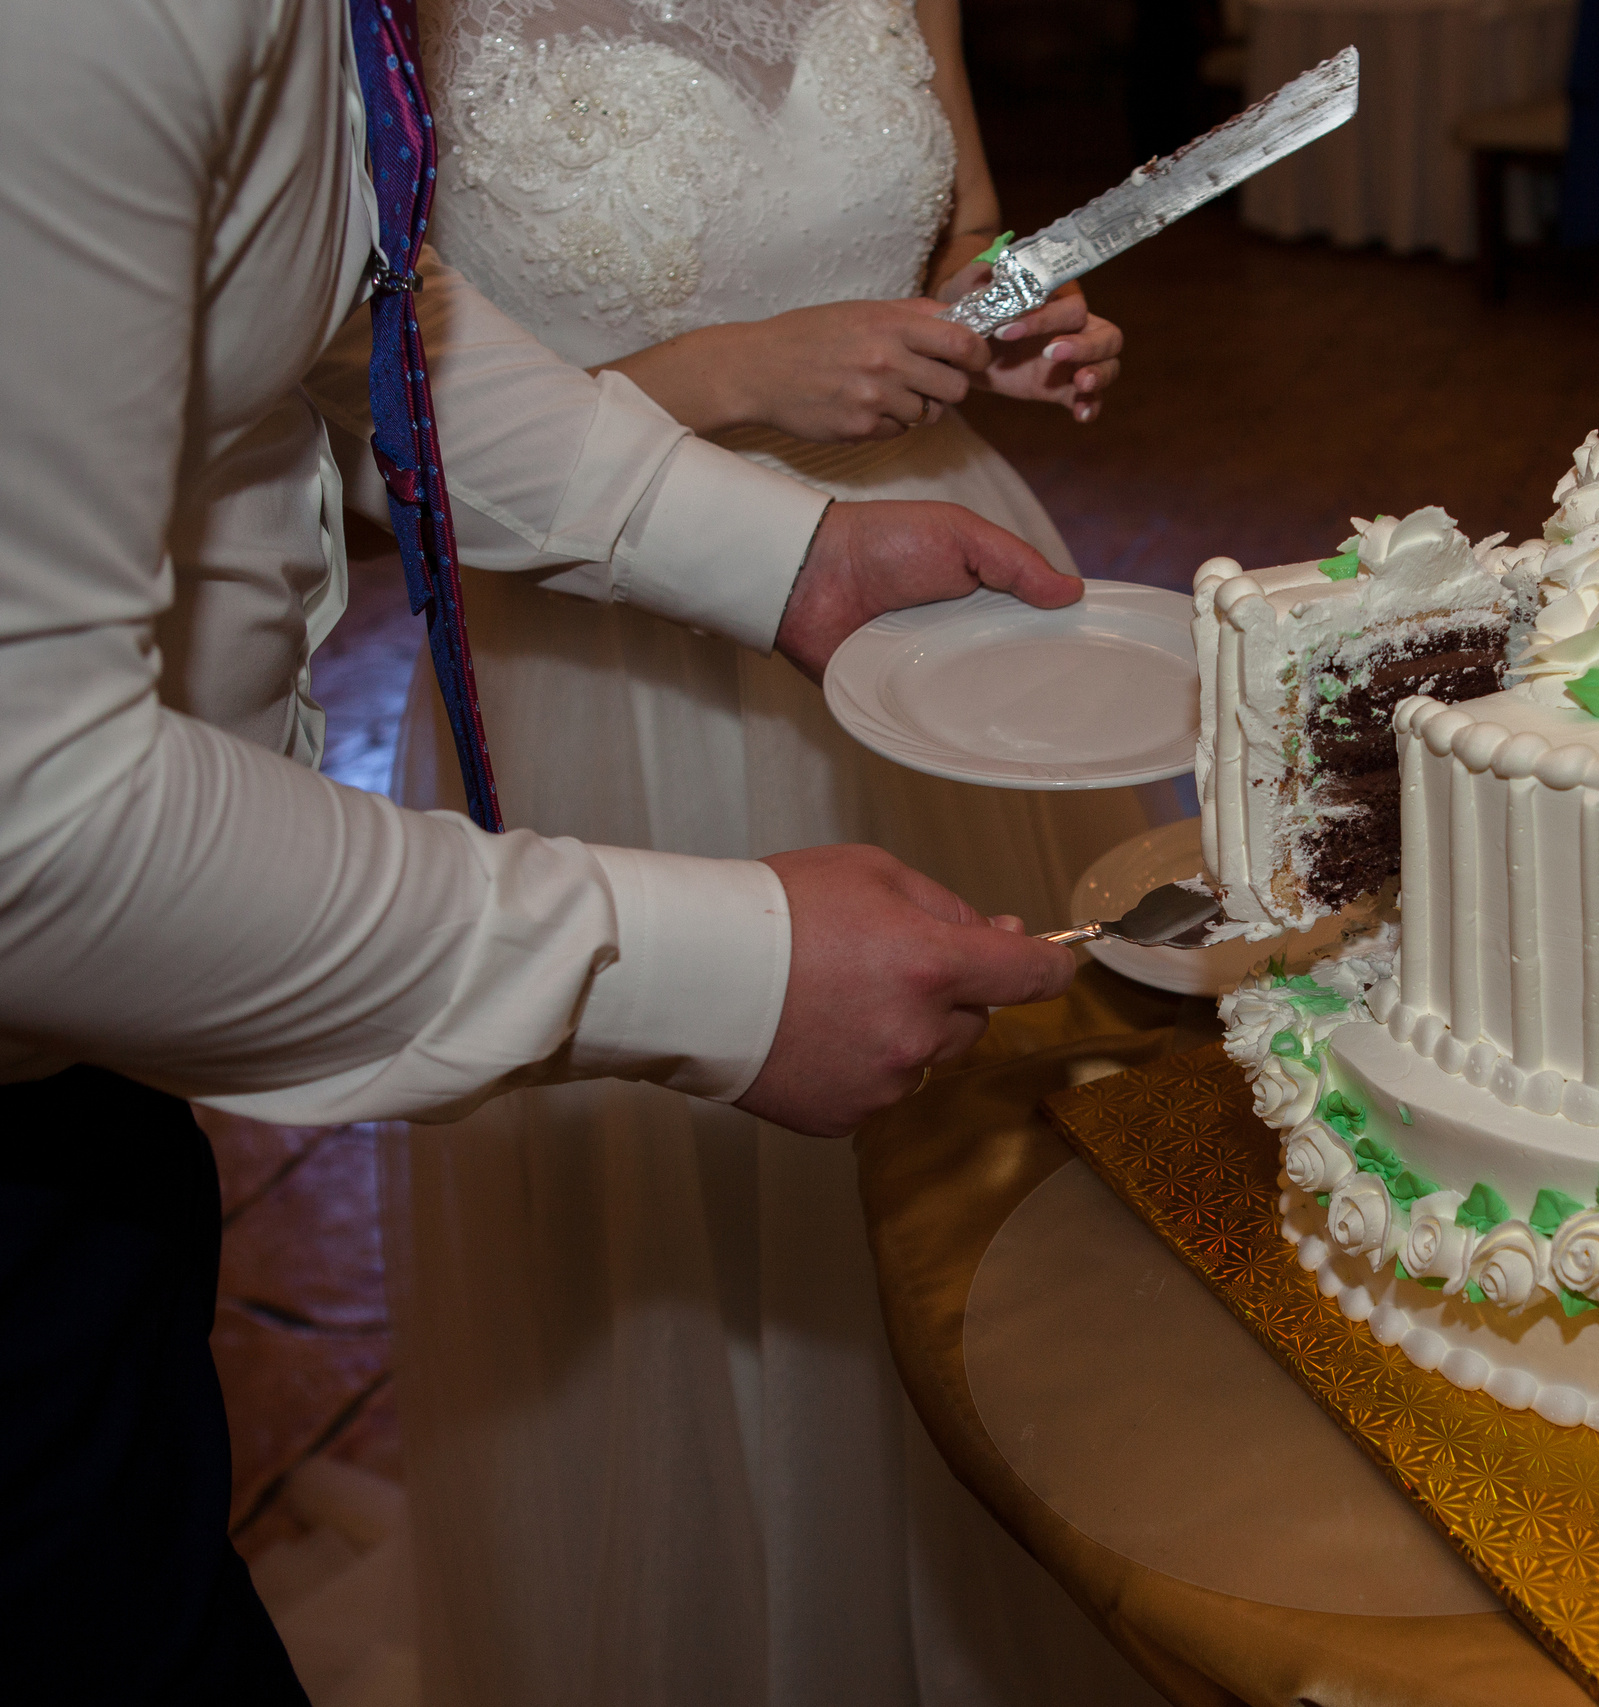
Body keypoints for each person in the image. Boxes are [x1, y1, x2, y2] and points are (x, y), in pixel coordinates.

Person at [0, 0, 1087, 1696]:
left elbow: (363, 321)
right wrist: (716, 970)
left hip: (81, 1078)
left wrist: (785, 556)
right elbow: (30, 827)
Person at [375, 3, 1165, 1703]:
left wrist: (1008, 314)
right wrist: (736, 372)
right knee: (688, 1218)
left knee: (997, 1165)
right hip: (603, 669)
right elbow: (368, 407)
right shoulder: (401, 22)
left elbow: (962, 227)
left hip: (929, 586)